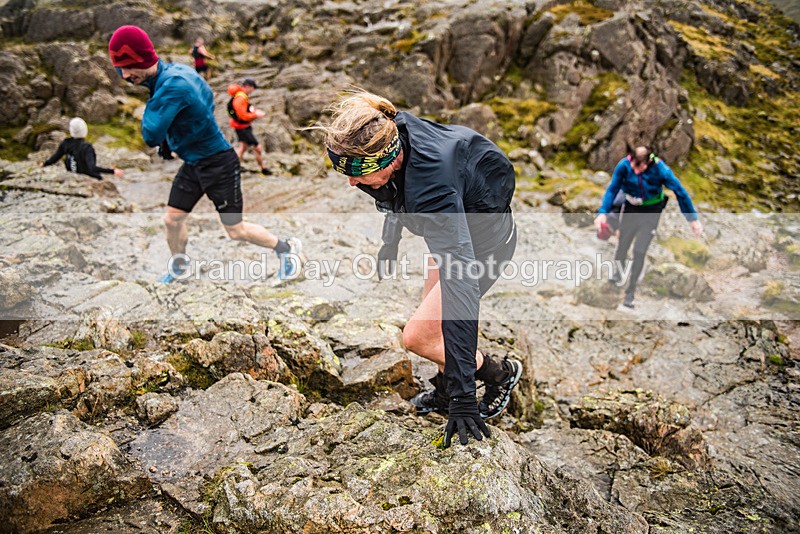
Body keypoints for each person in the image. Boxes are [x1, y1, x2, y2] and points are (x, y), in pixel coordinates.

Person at [320, 91, 523, 448]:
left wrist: (465, 399)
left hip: (482, 248)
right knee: (434, 320)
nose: (350, 182)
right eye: (343, 169)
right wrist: (390, 242)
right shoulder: (389, 126)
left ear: (388, 159)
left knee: (418, 337)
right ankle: (444, 390)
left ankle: (500, 374)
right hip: (453, 232)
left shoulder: (432, 187)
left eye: (356, 172)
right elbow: (392, 198)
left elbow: (462, 289)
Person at [108, 25, 301, 284]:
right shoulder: (179, 70)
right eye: (120, 68)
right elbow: (207, 96)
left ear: (144, 59)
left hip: (219, 162)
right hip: (193, 162)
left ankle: (287, 249)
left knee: (235, 230)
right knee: (172, 221)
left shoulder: (171, 86)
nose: (124, 74)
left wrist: (163, 129)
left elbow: (150, 134)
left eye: (129, 66)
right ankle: (180, 266)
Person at [594, 146, 702, 308]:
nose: (635, 170)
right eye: (633, 165)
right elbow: (613, 189)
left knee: (639, 251)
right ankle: (617, 274)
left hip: (651, 213)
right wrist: (603, 212)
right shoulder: (624, 165)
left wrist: (692, 219)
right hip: (631, 210)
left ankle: (630, 291)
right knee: (623, 246)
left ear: (648, 163)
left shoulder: (661, 170)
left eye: (639, 166)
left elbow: (681, 193)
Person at [42, 117, 123, 180]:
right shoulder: (87, 148)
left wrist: (44, 164)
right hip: (86, 176)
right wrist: (113, 171)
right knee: (100, 178)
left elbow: (54, 158)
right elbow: (92, 168)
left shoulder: (66, 143)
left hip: (71, 172)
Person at [227, 79, 271, 175]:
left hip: (242, 126)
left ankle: (235, 166)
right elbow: (242, 115)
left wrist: (253, 111)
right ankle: (263, 169)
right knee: (257, 147)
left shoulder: (241, 96)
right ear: (247, 86)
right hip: (242, 128)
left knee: (243, 146)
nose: (253, 90)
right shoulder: (240, 98)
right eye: (253, 88)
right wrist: (256, 114)